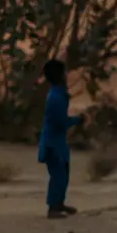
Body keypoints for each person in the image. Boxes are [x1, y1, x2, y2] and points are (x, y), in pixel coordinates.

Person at [37, 58, 83, 218]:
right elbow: (60, 122)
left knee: (63, 173)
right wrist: (77, 120)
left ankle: (59, 203)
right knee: (58, 175)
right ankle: (53, 207)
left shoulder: (58, 94)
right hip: (53, 143)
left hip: (57, 142)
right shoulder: (56, 97)